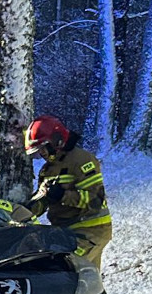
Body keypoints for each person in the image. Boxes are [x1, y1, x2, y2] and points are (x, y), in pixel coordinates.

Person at [24, 115, 112, 269]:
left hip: (90, 230)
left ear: (56, 140)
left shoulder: (82, 161)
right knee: (84, 284)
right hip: (67, 232)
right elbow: (43, 201)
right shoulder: (48, 170)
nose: (42, 154)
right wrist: (23, 211)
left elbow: (95, 200)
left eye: (43, 148)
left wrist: (63, 195)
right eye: (38, 151)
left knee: (64, 271)